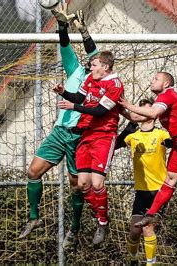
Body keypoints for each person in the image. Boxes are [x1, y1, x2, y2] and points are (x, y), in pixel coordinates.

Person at [18, 5, 99, 250]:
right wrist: (62, 24)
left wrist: (84, 32)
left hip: (79, 137)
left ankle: (74, 228)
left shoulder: (100, 80)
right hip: (58, 132)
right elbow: (64, 45)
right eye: (91, 62)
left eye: (95, 62)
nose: (92, 63)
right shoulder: (75, 69)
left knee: (77, 186)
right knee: (33, 172)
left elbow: (94, 53)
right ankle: (34, 218)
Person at [119, 72, 177, 238]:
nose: (151, 80)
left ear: (167, 83)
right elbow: (135, 116)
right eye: (152, 78)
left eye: (156, 78)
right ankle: (151, 214)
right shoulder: (161, 101)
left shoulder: (168, 95)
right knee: (169, 180)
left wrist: (127, 103)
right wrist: (117, 107)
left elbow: (152, 113)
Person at [53, 50, 124, 245]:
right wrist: (63, 92)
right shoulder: (90, 79)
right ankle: (101, 213)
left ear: (105, 67)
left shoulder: (115, 84)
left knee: (98, 183)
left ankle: (102, 222)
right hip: (86, 134)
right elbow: (77, 97)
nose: (90, 68)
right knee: (83, 184)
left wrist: (73, 107)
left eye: (94, 65)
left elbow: (101, 111)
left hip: (104, 136)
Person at [116, 98, 171, 265]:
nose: (142, 113)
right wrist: (131, 123)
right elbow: (117, 143)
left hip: (159, 191)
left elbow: (175, 142)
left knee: (148, 228)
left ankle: (150, 263)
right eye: (140, 111)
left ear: (153, 115)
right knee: (134, 231)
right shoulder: (133, 136)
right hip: (141, 191)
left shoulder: (161, 134)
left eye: (146, 110)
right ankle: (133, 259)